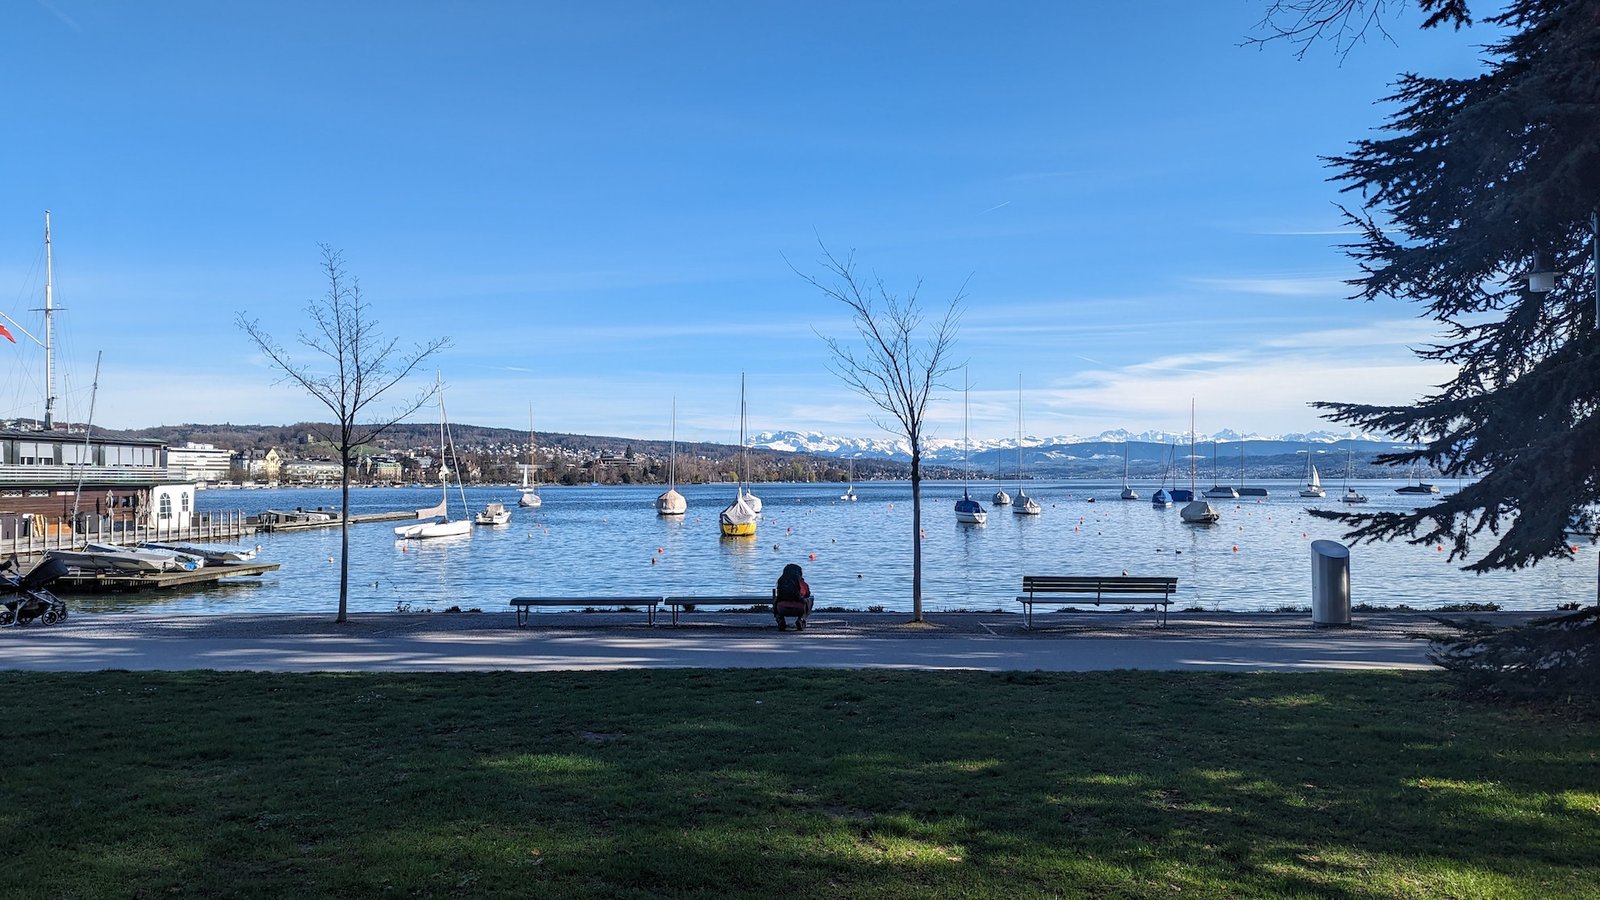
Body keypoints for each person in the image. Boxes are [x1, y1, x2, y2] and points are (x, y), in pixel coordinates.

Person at [773, 563, 813, 631]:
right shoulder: (802, 583)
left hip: (782, 608)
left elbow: (779, 594)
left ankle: (780, 619)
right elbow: (807, 594)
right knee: (810, 599)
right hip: (799, 608)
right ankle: (801, 619)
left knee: (776, 600)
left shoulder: (781, 581)